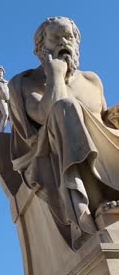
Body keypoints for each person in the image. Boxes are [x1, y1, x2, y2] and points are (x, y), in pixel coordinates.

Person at [9, 17, 119, 248]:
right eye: (56, 38)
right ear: (41, 48)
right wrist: (55, 76)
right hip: (50, 153)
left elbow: (103, 123)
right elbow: (46, 114)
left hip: (104, 152)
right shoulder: (28, 82)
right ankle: (97, 204)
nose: (64, 43)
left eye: (69, 37)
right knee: (66, 108)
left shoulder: (92, 80)